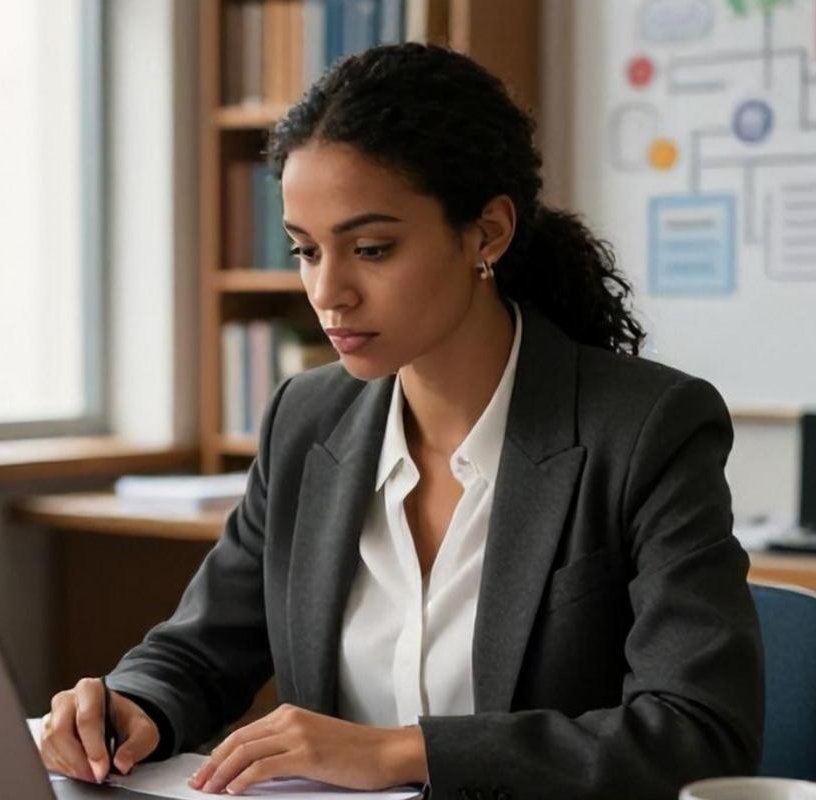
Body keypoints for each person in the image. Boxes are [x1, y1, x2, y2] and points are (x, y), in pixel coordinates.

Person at [38, 42, 764, 800]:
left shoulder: (647, 428)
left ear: (487, 233)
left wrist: (402, 753)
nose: (328, 293)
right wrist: (132, 703)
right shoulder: (305, 418)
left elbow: (699, 735)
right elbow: (200, 651)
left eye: (371, 249)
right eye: (305, 250)